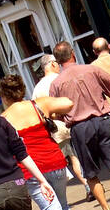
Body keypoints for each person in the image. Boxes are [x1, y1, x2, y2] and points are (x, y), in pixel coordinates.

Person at [0, 75, 83, 210]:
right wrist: (53, 114)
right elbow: (68, 103)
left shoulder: (3, 120)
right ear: (22, 90)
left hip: (31, 171)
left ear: (3, 95)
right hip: (55, 161)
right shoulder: (39, 105)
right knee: (62, 206)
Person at [49, 41, 110, 210]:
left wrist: (66, 118)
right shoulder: (91, 70)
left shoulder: (56, 84)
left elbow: (53, 112)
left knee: (91, 173)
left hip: (79, 128)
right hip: (102, 121)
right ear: (73, 54)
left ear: (58, 61)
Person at [34, 55, 86, 189]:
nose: (59, 65)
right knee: (78, 157)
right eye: (57, 63)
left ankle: (87, 185)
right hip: (72, 122)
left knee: (69, 160)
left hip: (56, 130)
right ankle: (89, 184)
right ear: (51, 64)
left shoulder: (37, 88)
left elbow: (38, 112)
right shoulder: (62, 79)